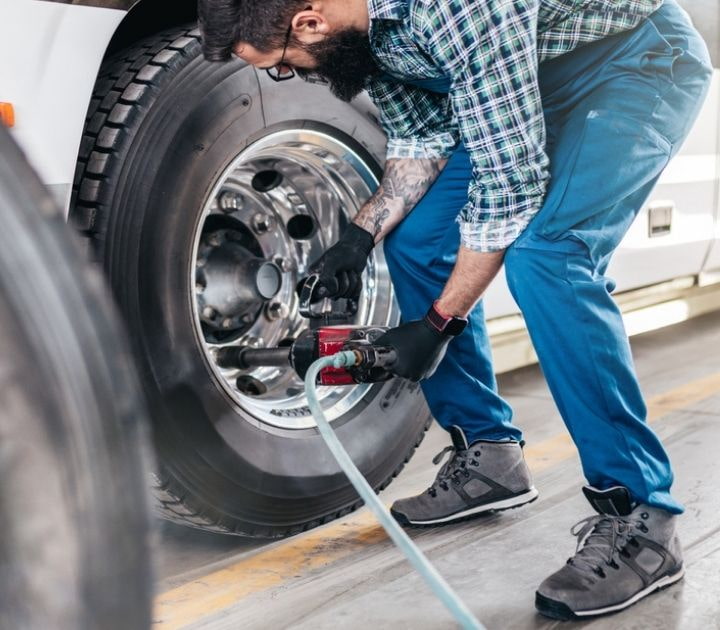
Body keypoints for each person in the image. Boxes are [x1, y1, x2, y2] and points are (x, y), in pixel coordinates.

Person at [198, 0, 712, 619]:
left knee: (549, 260)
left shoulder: (455, 7)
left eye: (283, 66)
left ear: (309, 23)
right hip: (534, 78)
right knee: (414, 241)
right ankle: (490, 454)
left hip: (635, 62)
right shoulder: (363, 35)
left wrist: (436, 326)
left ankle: (640, 516)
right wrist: (358, 238)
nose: (296, 77)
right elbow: (424, 139)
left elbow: (508, 188)